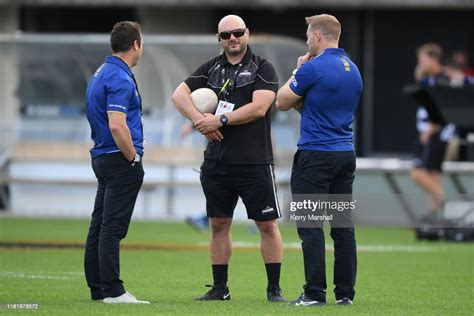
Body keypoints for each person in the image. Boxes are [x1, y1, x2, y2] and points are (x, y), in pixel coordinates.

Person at [172, 14, 285, 302]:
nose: (232, 38)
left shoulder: (263, 67)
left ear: (247, 33)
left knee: (267, 225)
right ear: (219, 39)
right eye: (225, 35)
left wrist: (219, 120)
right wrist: (200, 120)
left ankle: (274, 290)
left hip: (254, 161)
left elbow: (259, 108)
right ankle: (219, 289)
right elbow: (178, 95)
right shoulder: (211, 68)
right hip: (217, 163)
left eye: (237, 32)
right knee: (219, 225)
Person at [276, 14, 363, 306]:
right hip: (344, 154)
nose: (306, 41)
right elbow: (319, 109)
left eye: (307, 36)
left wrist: (298, 68)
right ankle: (345, 295)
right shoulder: (353, 69)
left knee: (311, 226)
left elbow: (282, 100)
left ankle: (314, 294)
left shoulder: (313, 68)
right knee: (342, 226)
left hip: (315, 156)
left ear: (316, 37)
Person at [84, 21, 149, 304]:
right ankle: (113, 290)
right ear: (135, 44)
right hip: (118, 159)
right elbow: (117, 125)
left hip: (101, 157)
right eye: (141, 43)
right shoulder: (120, 78)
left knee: (99, 225)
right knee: (112, 227)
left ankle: (98, 288)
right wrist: (133, 157)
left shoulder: (101, 72)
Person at [411, 43, 452, 222]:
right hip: (430, 131)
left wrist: (432, 129)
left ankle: (445, 203)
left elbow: (445, 109)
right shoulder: (429, 78)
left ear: (433, 59)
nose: (419, 63)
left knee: (418, 173)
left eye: (422, 59)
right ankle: (436, 217)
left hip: (437, 133)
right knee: (433, 175)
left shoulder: (443, 78)